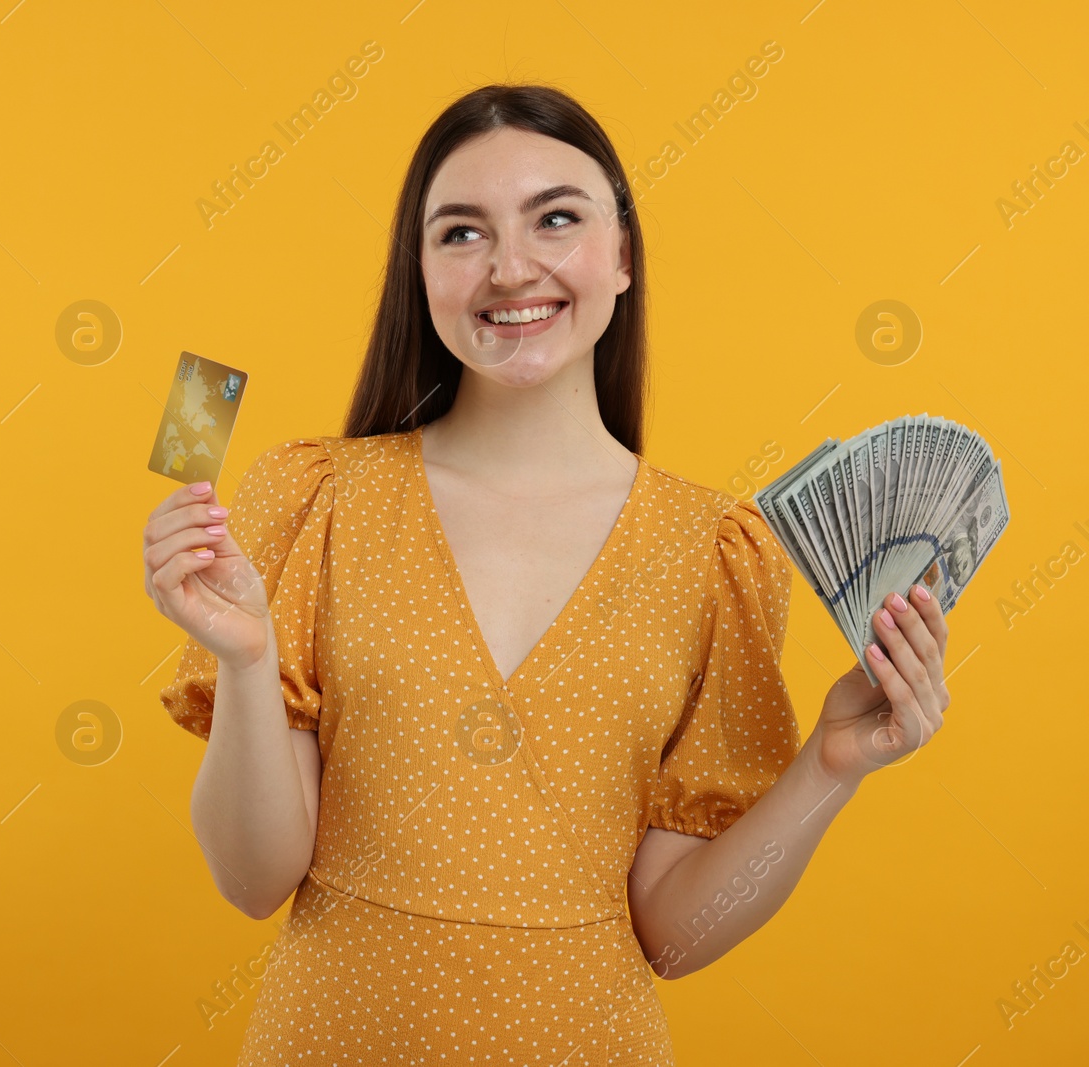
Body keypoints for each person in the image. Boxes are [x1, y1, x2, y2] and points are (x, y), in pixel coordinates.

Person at [142, 83, 952, 1065]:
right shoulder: (314, 498)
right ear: (420, 272)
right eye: (460, 233)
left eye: (555, 218)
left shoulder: (714, 552)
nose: (508, 267)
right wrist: (242, 660)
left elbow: (676, 935)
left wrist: (831, 764)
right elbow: (251, 877)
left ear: (620, 256)